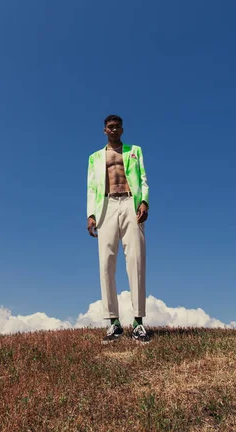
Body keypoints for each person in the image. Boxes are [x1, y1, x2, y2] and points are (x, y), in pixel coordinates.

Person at [87, 115, 151, 344]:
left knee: (136, 261)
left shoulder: (135, 150)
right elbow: (92, 188)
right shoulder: (94, 158)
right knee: (106, 263)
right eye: (110, 127)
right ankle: (113, 323)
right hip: (106, 205)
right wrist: (91, 215)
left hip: (130, 203)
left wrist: (144, 201)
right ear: (104, 130)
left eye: (117, 127)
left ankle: (138, 322)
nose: (114, 130)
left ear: (122, 129)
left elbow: (143, 178)